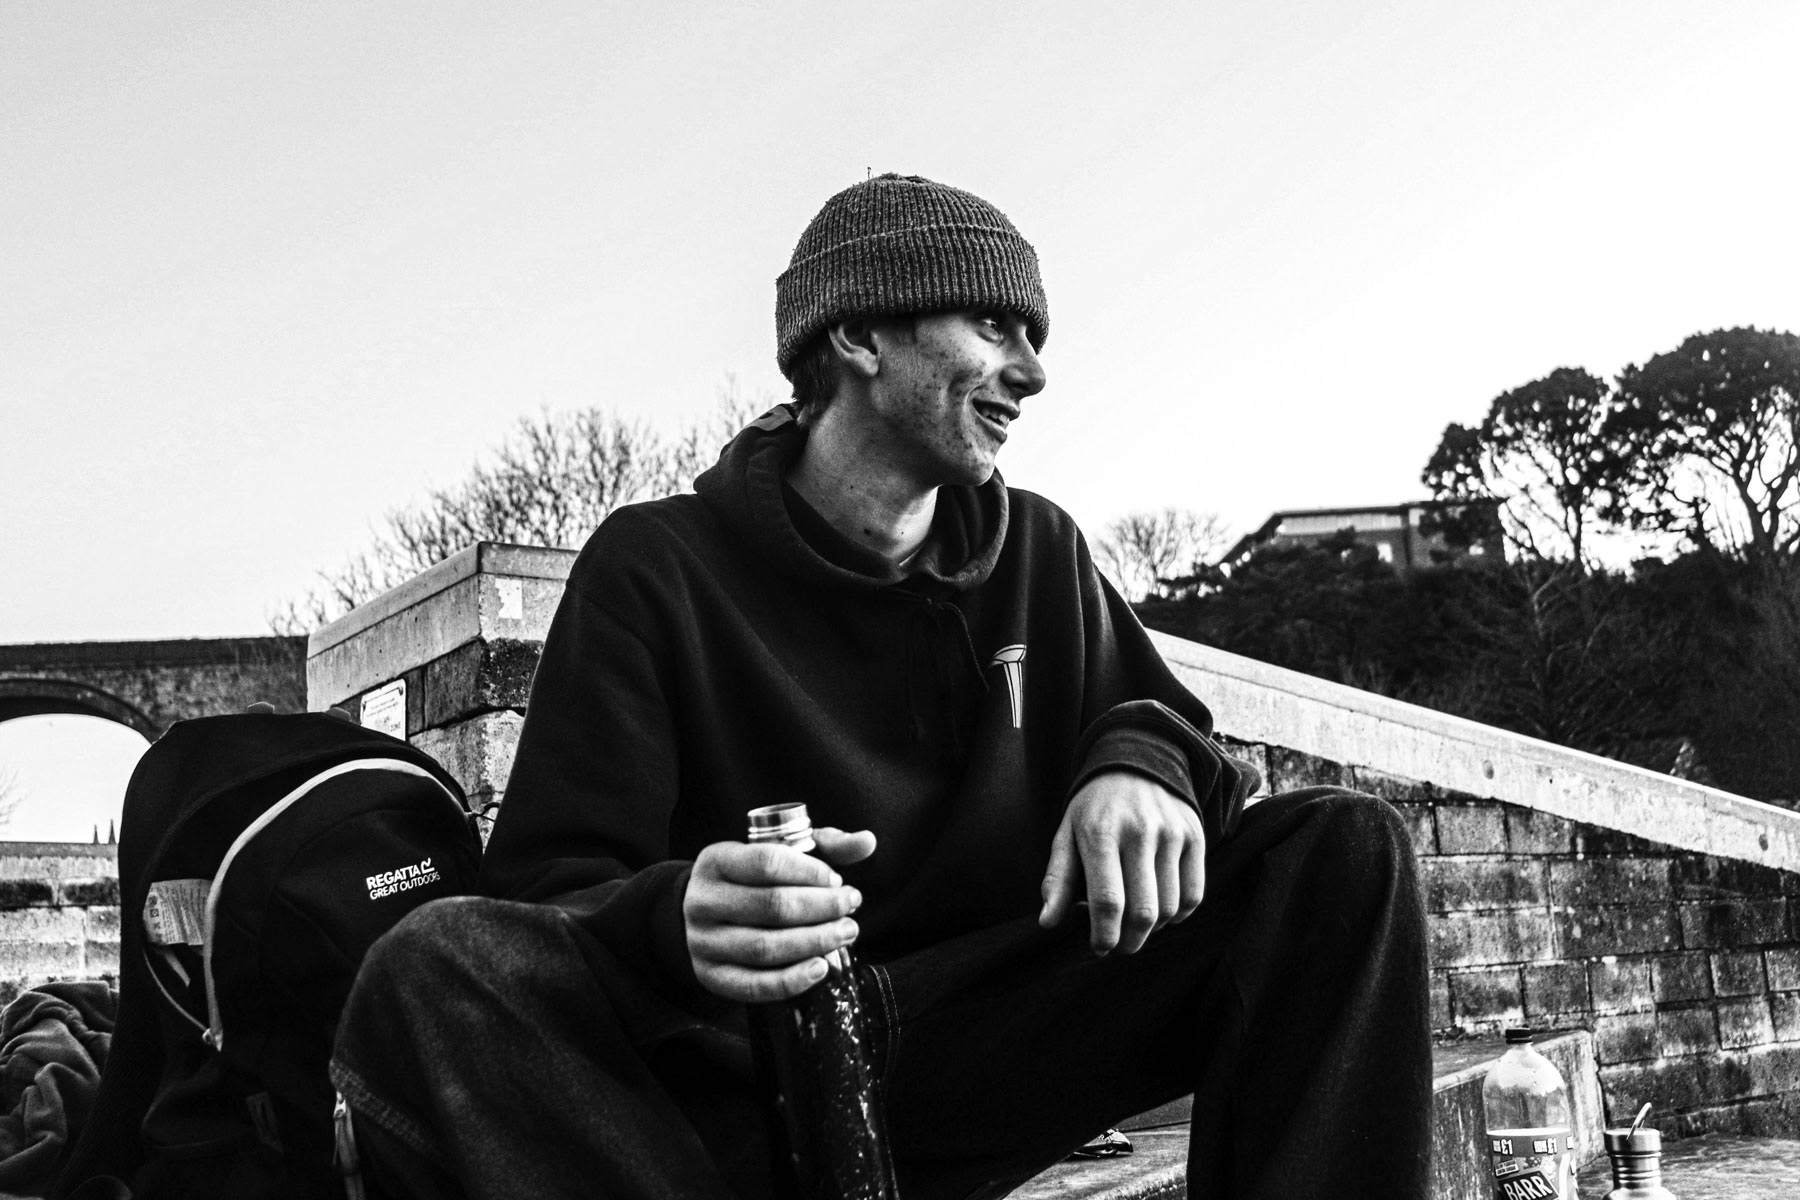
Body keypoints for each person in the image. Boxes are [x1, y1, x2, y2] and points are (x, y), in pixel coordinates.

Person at [332, 173, 1432, 1200]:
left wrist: (1139, 767)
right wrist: (677, 918)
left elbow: (1181, 739)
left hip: (984, 1044)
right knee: (430, 966)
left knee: (1343, 852)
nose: (1032, 372)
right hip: (755, 1075)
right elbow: (546, 899)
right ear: (858, 333)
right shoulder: (655, 567)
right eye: (993, 325)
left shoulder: (1039, 550)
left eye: (1034, 337)